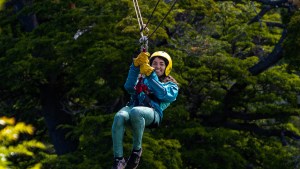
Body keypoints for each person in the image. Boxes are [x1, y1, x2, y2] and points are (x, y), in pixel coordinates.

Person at [111, 51, 179, 169]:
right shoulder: (143, 78)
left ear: (167, 67)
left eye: (161, 64)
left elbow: (162, 94)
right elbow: (129, 87)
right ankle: (119, 159)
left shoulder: (171, 86)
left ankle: (136, 151)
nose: (157, 66)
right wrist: (135, 67)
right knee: (119, 117)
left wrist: (150, 74)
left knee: (136, 112)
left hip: (153, 113)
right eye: (154, 63)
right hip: (134, 106)